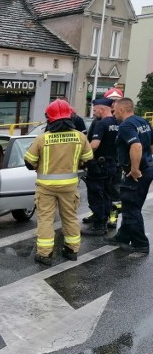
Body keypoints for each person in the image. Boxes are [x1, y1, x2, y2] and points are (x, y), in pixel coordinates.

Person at [24, 99, 94, 266]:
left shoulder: (42, 139)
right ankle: (71, 250)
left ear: (50, 119)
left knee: (46, 220)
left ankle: (45, 254)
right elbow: (88, 161)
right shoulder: (80, 137)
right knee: (70, 218)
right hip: (69, 186)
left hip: (46, 188)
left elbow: (29, 163)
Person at [104, 98, 153, 254]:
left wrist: (135, 169)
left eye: (114, 110)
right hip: (148, 168)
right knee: (130, 205)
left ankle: (140, 244)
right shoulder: (142, 121)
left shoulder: (126, 125)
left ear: (122, 110)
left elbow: (136, 145)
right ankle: (123, 236)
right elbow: (150, 144)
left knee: (131, 207)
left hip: (137, 173)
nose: (113, 113)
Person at [81, 97, 119, 236]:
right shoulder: (117, 122)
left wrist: (83, 156)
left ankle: (99, 226)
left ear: (102, 109)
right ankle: (104, 222)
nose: (94, 112)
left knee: (96, 194)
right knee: (106, 194)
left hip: (99, 165)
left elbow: (95, 145)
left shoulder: (101, 124)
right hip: (112, 164)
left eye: (95, 109)